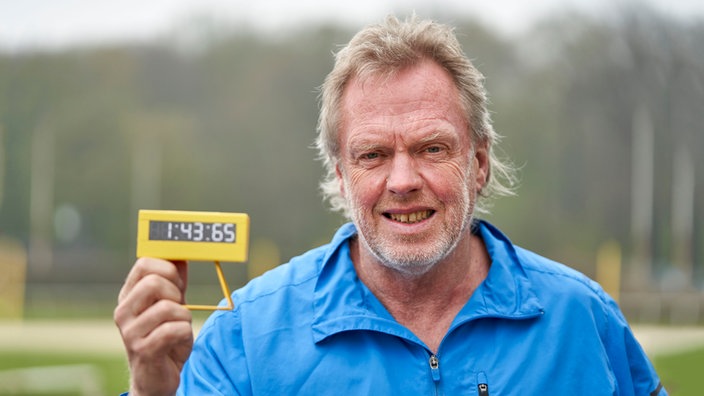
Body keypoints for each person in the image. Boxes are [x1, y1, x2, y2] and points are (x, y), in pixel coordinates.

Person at [114, 15, 666, 395]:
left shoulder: (582, 319)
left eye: (431, 148)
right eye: (373, 154)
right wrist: (151, 391)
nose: (402, 181)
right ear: (341, 175)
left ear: (478, 162)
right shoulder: (246, 337)